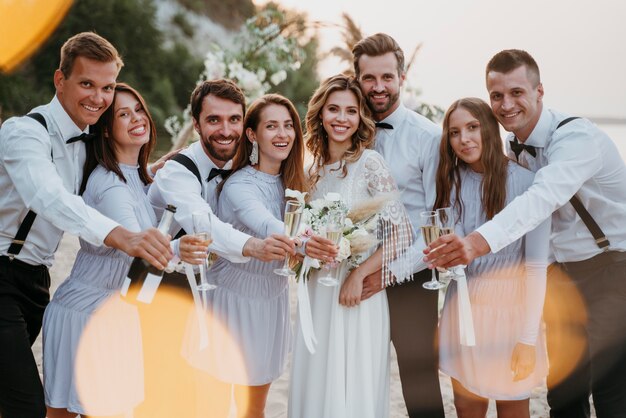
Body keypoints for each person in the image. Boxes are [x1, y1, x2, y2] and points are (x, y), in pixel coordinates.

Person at [425, 49, 626, 418]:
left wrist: (474, 243)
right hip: (560, 274)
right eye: (497, 95)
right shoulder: (515, 153)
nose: (506, 104)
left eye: (517, 92)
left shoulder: (577, 139)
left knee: (611, 387)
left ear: (539, 91)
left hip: (610, 268)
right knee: (564, 389)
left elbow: (540, 199)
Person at [0, 32, 172, 418]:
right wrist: (121, 236)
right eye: (87, 84)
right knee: (25, 405)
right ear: (60, 81)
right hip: (0, 272)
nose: (99, 97)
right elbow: (47, 195)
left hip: (36, 283)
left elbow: (119, 168)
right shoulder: (24, 133)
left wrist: (151, 172)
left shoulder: (92, 136)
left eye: (107, 86)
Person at [42, 83, 207, 418]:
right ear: (106, 129)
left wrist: (160, 168)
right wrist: (179, 247)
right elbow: (137, 243)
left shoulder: (136, 176)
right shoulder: (108, 184)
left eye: (139, 109)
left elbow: (144, 196)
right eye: (123, 114)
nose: (137, 118)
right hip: (87, 312)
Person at [288, 74, 414, 418]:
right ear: (320, 114)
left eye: (351, 111)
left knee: (352, 382)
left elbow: (402, 234)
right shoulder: (309, 170)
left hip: (356, 294)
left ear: (361, 118)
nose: (341, 118)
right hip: (317, 290)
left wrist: (359, 274)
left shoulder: (369, 164)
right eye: (333, 109)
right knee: (317, 377)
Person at [183, 93, 308, 418]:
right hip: (230, 304)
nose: (282, 134)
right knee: (211, 408)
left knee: (253, 411)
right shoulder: (240, 184)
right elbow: (265, 223)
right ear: (252, 134)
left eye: (288, 126)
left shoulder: (294, 184)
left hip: (272, 303)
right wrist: (308, 242)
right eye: (271, 126)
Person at [435, 97, 549, 417]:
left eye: (472, 127)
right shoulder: (452, 182)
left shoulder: (527, 184)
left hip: (510, 319)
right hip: (463, 311)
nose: (464, 139)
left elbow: (536, 268)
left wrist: (527, 339)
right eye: (455, 132)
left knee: (513, 408)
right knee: (467, 409)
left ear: (489, 128)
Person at [351, 33, 445, 417]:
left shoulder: (428, 137)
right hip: (354, 270)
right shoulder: (343, 131)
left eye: (387, 77)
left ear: (402, 78)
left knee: (418, 380)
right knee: (356, 373)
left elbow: (436, 222)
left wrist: (390, 273)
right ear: (356, 79)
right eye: (369, 78)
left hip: (412, 275)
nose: (378, 87)